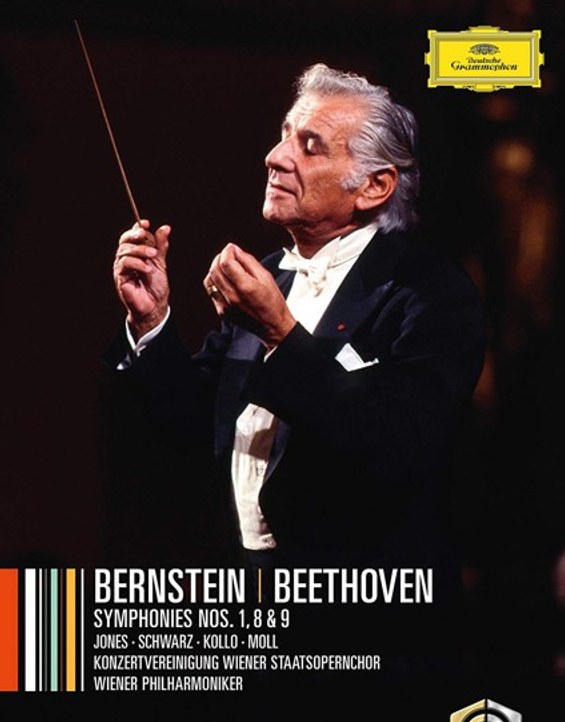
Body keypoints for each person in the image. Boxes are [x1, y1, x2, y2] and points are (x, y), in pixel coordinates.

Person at [107, 63, 485, 608]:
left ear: (375, 186)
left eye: (310, 146)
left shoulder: (431, 293)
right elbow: (192, 426)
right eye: (284, 135)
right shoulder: (270, 277)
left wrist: (280, 333)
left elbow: (395, 447)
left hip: (365, 613)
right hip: (247, 597)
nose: (275, 157)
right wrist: (152, 322)